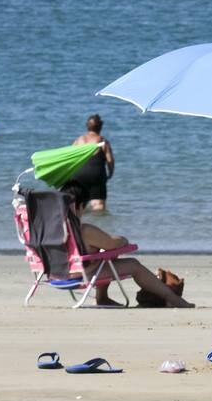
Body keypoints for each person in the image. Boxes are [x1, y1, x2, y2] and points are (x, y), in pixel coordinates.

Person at [64, 182, 194, 308]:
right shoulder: (84, 230)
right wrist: (123, 240)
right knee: (134, 265)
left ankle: (102, 297)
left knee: (105, 253)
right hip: (80, 275)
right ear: (80, 206)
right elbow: (112, 243)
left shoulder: (50, 230)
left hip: (58, 274)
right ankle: (173, 299)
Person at [68, 113, 114, 213]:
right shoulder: (103, 142)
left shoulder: (78, 140)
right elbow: (110, 160)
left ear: (87, 126)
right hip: (96, 175)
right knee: (98, 207)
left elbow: (70, 158)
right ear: (101, 127)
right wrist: (110, 173)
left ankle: (77, 225)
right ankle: (97, 225)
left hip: (78, 175)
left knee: (77, 206)